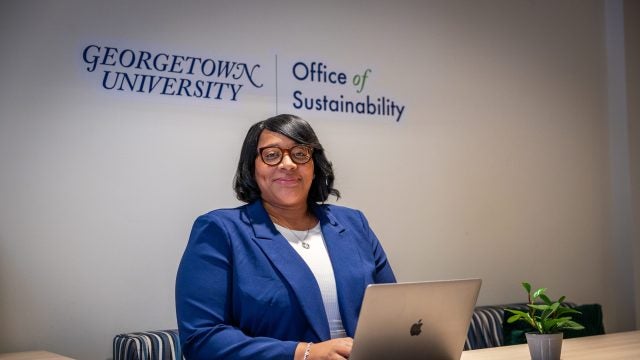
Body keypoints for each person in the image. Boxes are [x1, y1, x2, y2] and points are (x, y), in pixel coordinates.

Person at [175, 114, 396, 360]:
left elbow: (395, 312)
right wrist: (304, 353)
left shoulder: (354, 223)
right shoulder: (220, 230)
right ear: (252, 167)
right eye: (271, 155)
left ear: (315, 166)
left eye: (300, 153)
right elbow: (202, 338)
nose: (288, 164)